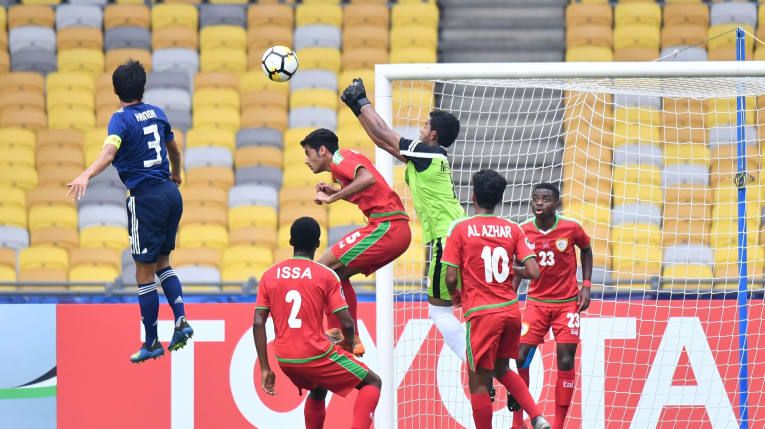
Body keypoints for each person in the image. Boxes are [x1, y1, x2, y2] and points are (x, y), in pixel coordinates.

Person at [67, 60, 192, 363]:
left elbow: (109, 152)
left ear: (115, 90)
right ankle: (180, 320)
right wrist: (176, 174)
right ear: (142, 87)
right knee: (163, 262)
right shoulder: (158, 114)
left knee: (143, 273)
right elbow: (174, 150)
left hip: (145, 199)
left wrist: (86, 174)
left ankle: (151, 341)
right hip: (170, 193)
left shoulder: (120, 120)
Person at [341, 78, 468, 363]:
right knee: (462, 306)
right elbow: (382, 140)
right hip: (459, 234)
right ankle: (486, 361)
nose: (420, 128)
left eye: (424, 126)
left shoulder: (427, 153)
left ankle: (472, 359)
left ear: (433, 134)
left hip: (446, 239)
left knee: (440, 311)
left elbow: (385, 133)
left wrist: (360, 101)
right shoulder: (428, 157)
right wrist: (355, 106)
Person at [441, 169, 551, 429]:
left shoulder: (460, 229)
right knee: (502, 369)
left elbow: (449, 279)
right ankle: (536, 415)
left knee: (478, 380)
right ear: (500, 198)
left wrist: (457, 296)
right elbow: (534, 272)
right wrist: (512, 271)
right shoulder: (513, 229)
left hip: (482, 312)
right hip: (510, 311)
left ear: (473, 196)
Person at [253, 217, 381, 429]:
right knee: (373, 382)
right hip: (314, 353)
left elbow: (258, 322)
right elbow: (347, 324)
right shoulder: (326, 275)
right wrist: (349, 344)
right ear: (318, 244)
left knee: (319, 387)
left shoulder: (269, 275)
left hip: (285, 359)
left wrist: (265, 368)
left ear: (291, 242)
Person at [301, 128, 412, 356]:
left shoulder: (341, 158)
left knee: (322, 269)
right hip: (389, 228)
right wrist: (337, 190)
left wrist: (333, 197)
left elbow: (367, 178)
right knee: (338, 275)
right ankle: (352, 339)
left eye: (308, 153)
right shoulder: (341, 167)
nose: (306, 160)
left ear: (322, 150)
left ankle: (338, 332)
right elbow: (368, 189)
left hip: (387, 227)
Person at [511, 183, 593, 429]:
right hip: (536, 304)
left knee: (566, 360)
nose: (539, 203)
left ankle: (558, 425)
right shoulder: (522, 230)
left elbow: (586, 249)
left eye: (545, 199)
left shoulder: (571, 228)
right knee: (520, 358)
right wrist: (510, 296)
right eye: (535, 199)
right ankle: (518, 422)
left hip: (567, 304)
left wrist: (586, 285)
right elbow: (518, 264)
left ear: (556, 204)